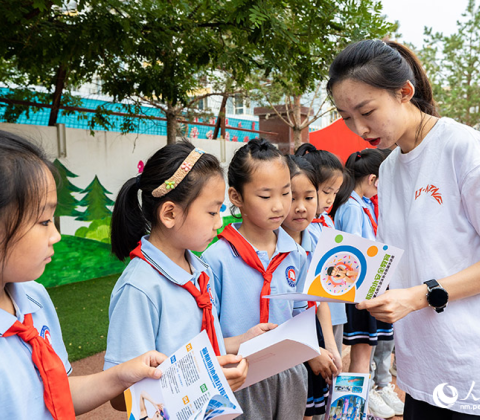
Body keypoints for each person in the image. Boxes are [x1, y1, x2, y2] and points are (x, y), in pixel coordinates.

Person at [328, 39, 480, 419]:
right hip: (424, 374)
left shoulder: (465, 150)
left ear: (404, 93)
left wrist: (418, 296)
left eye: (366, 111)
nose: (359, 128)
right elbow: (403, 259)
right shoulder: (391, 168)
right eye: (346, 116)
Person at [0, 128, 167, 420]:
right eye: (44, 221)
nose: (55, 236)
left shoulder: (34, 297)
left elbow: (54, 393)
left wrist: (120, 377)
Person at [105, 141, 267, 409]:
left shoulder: (199, 269)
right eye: (212, 212)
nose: (219, 223)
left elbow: (195, 347)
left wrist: (240, 342)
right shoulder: (140, 288)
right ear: (170, 213)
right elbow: (121, 397)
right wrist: (203, 381)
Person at [202, 139, 309, 419]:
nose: (279, 206)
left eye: (286, 193)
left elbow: (299, 314)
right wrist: (243, 341)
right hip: (238, 376)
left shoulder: (296, 255)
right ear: (236, 197)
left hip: (288, 374)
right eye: (265, 196)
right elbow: (206, 334)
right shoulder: (216, 259)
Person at [331, 148, 400, 419]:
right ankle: (355, 407)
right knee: (360, 354)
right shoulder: (350, 206)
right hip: (360, 291)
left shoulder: (363, 204)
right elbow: (351, 252)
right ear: (373, 179)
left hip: (371, 287)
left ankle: (364, 401)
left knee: (369, 348)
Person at [282, 155, 342, 419]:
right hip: (290, 344)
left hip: (313, 335)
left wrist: (330, 344)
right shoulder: (274, 246)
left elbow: (320, 299)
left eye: (309, 197)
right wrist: (309, 352)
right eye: (291, 197)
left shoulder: (316, 239)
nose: (301, 207)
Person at [295, 143, 347, 357]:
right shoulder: (300, 226)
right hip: (311, 311)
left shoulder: (326, 220)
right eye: (326, 191)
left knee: (334, 358)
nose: (330, 200)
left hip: (334, 306)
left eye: (335, 193)